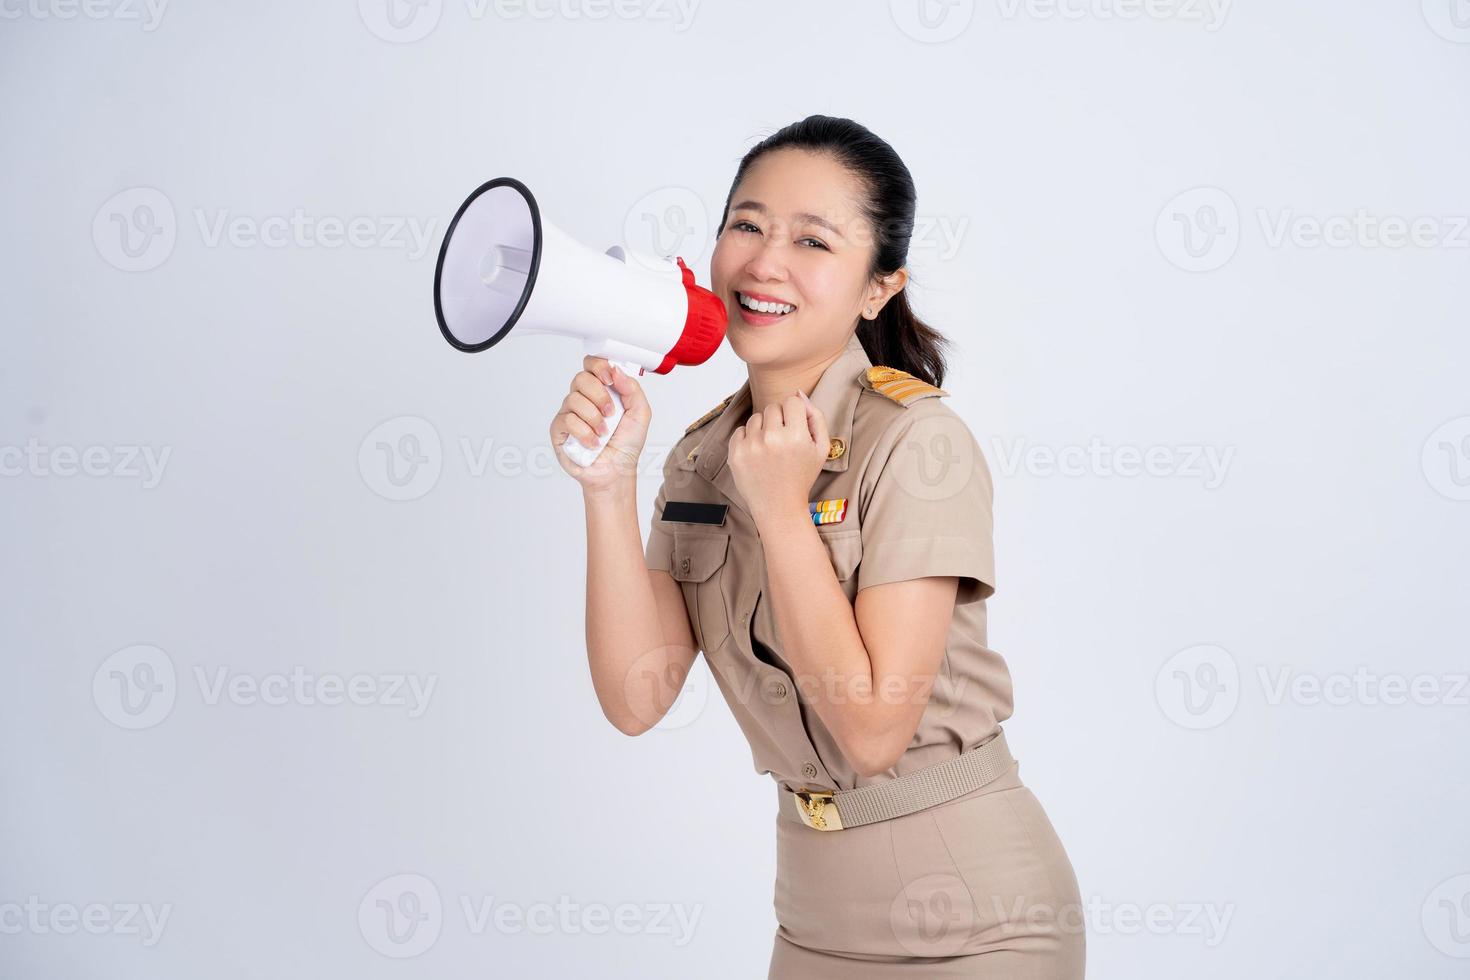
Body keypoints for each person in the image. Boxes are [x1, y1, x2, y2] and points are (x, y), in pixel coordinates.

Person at [549, 114, 1085, 978]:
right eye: (747, 225)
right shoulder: (699, 456)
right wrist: (607, 486)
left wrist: (782, 510)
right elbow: (636, 699)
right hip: (812, 921)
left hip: (979, 921)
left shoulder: (919, 444)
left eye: (813, 240)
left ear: (878, 288)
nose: (765, 261)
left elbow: (872, 732)